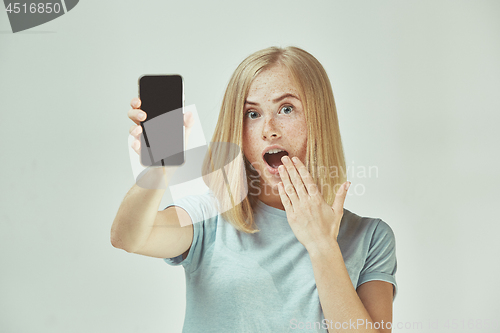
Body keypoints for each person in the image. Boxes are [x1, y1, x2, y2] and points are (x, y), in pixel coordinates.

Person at [111, 46, 397, 333]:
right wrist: (159, 170)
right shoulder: (209, 217)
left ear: (318, 120)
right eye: (252, 113)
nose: (268, 129)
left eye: (286, 109)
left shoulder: (370, 238)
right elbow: (128, 238)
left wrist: (322, 245)